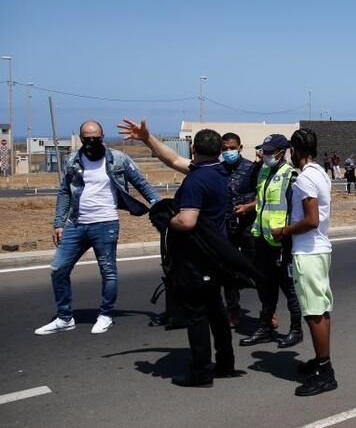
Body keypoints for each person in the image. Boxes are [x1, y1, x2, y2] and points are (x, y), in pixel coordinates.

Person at [117, 119, 246, 387]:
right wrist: (147, 138)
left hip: (197, 259)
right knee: (217, 311)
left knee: (197, 315)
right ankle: (225, 363)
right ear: (219, 151)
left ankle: (201, 373)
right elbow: (173, 159)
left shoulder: (195, 181)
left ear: (194, 149)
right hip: (216, 256)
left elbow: (187, 221)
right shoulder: (219, 170)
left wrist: (166, 219)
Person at [35, 120, 162, 336]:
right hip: (76, 223)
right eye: (87, 138)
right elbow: (64, 191)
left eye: (95, 138)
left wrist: (159, 206)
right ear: (81, 138)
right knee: (58, 268)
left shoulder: (118, 159)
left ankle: (105, 315)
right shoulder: (73, 160)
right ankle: (64, 318)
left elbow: (141, 183)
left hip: (106, 223)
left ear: (102, 137)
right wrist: (58, 223)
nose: (91, 141)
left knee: (108, 271)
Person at [273, 129, 338, 396]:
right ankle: (321, 361)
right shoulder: (320, 172)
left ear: (296, 149)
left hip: (308, 252)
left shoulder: (305, 178)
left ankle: (325, 372)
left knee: (313, 313)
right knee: (320, 309)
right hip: (319, 249)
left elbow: (311, 220)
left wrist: (283, 231)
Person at [239, 134, 304, 349]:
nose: (265, 154)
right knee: (265, 286)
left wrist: (287, 235)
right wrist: (257, 164)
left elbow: (295, 210)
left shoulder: (290, 175)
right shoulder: (264, 171)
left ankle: (296, 329)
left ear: (281, 152)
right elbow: (252, 193)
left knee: (288, 287)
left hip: (281, 242)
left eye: (269, 152)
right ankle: (265, 327)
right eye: (263, 151)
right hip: (262, 239)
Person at [220, 132, 257, 328]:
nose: (229, 152)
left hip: (248, 225)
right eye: (225, 149)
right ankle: (233, 310)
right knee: (228, 271)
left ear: (240, 148)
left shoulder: (252, 169)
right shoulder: (218, 170)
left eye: (232, 148)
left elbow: (263, 196)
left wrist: (248, 207)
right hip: (226, 228)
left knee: (256, 269)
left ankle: (268, 311)